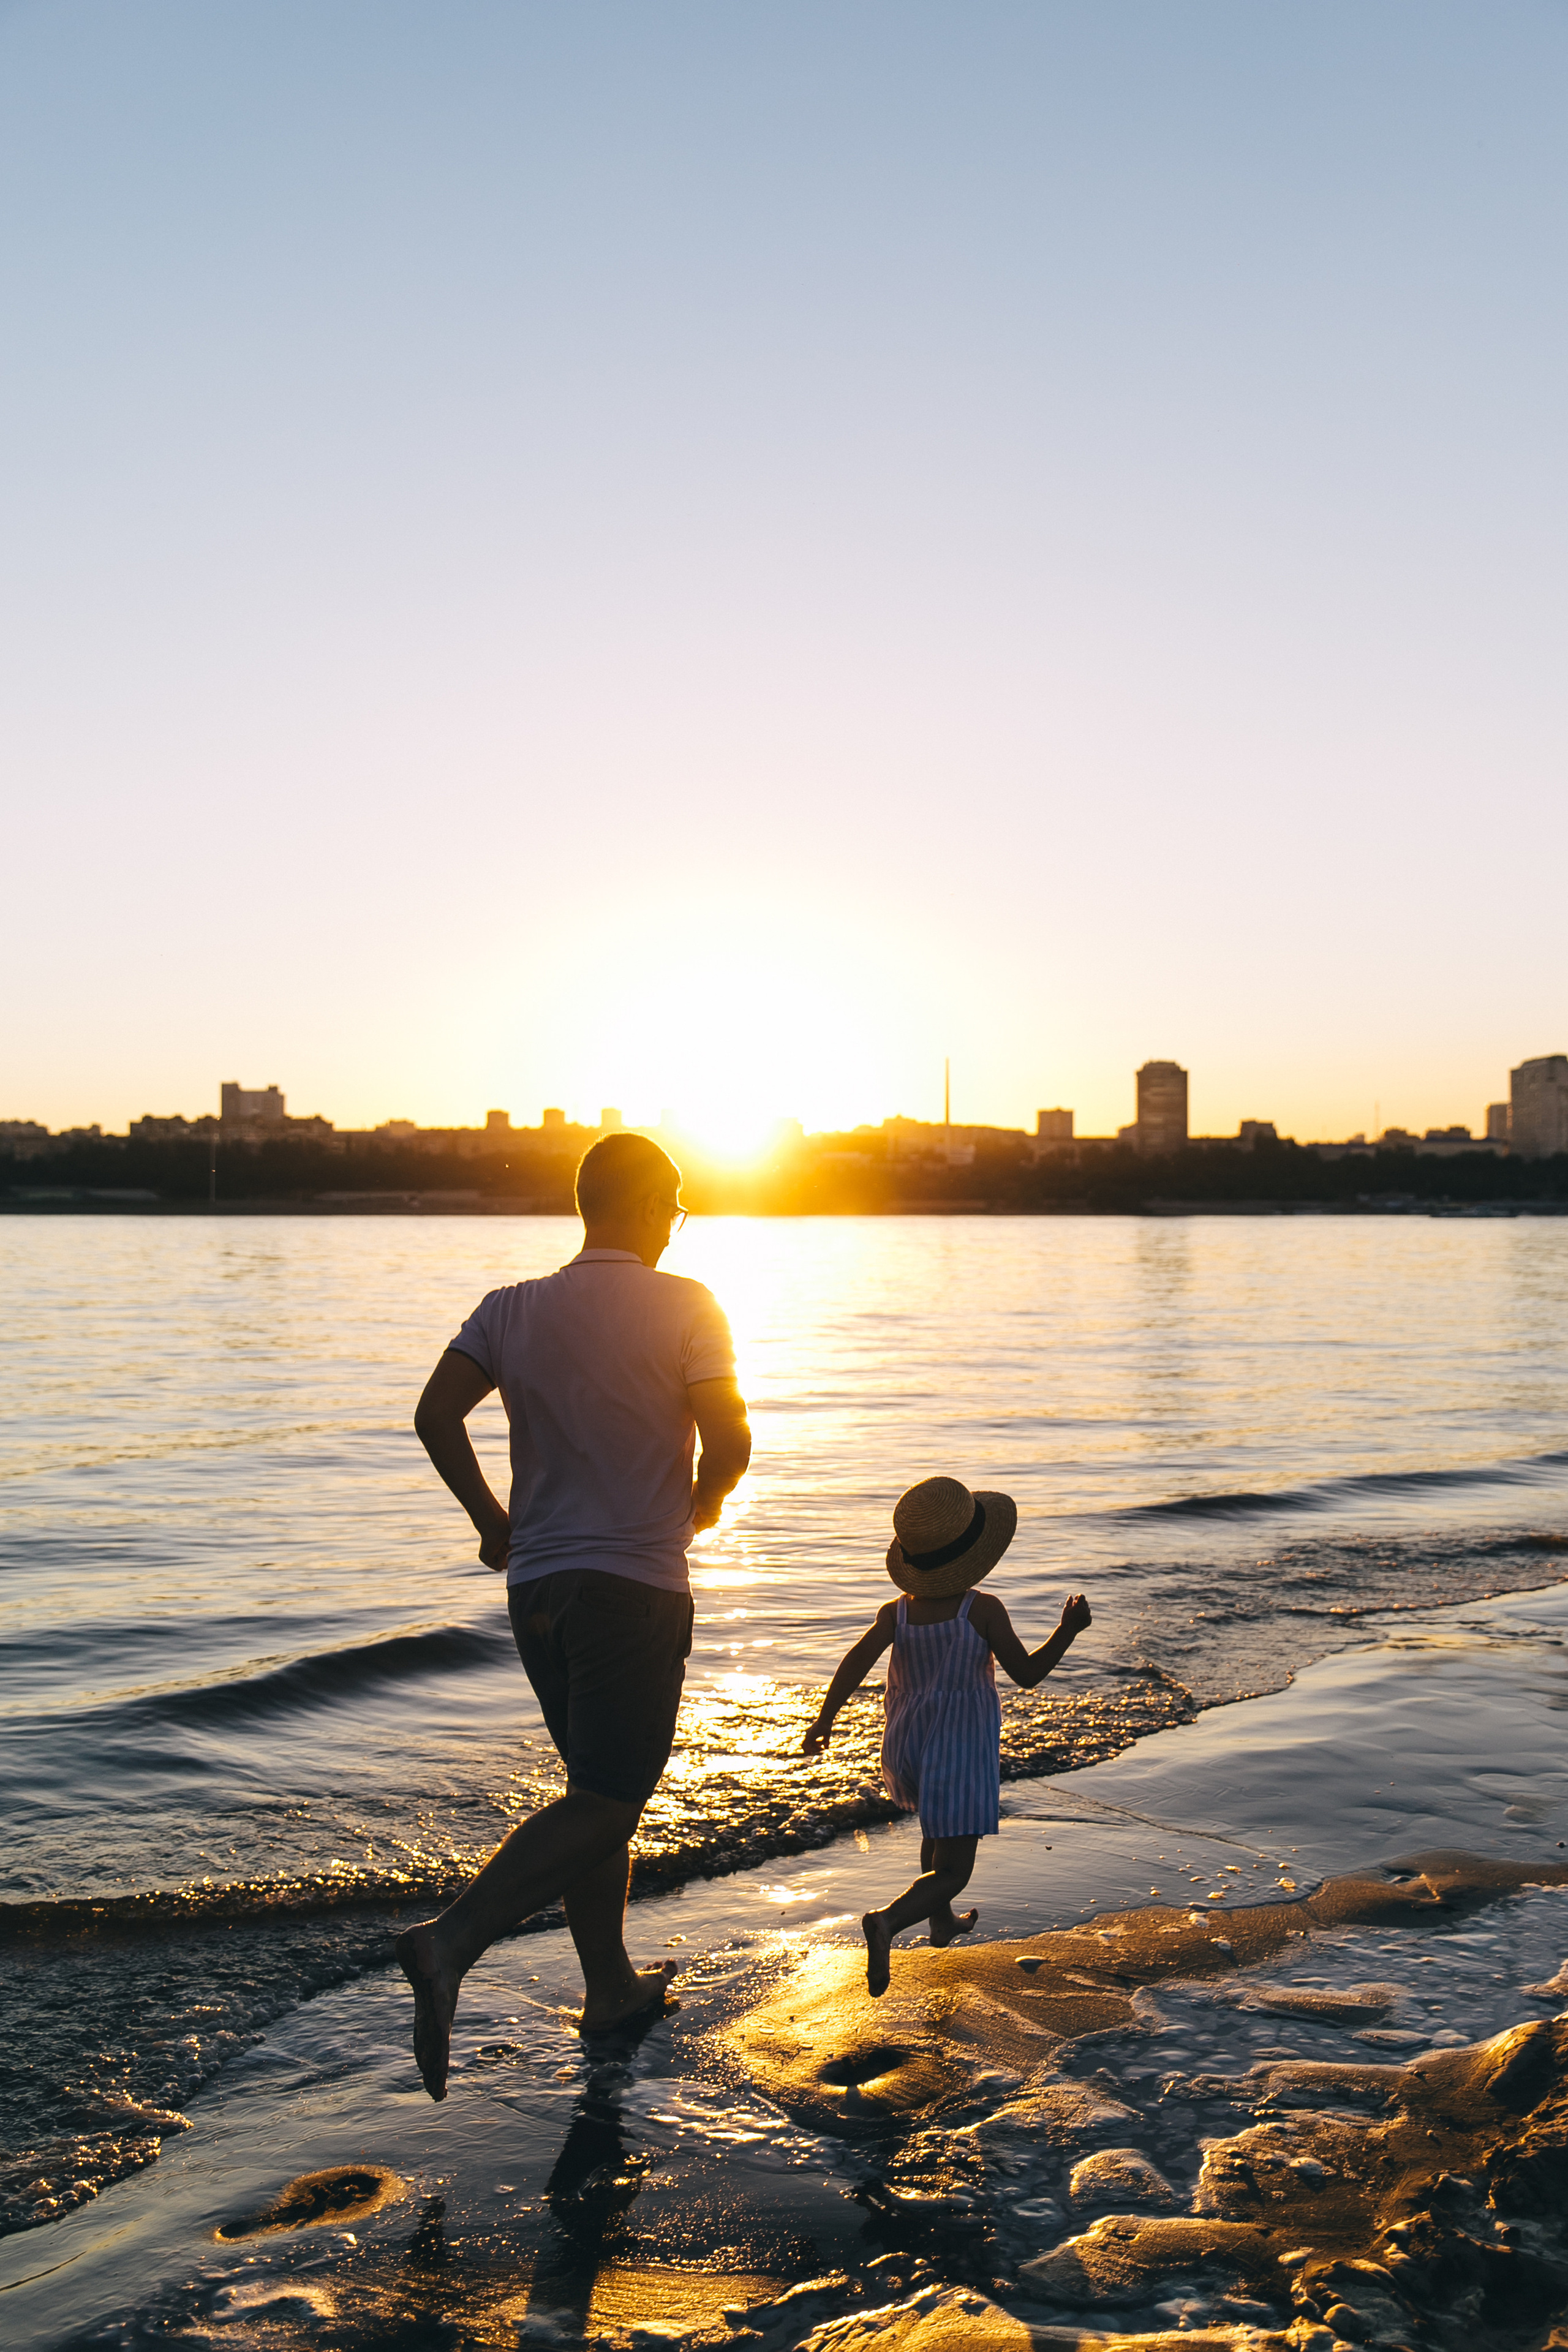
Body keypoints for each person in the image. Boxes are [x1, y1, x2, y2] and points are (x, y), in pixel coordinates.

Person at [396, 1132, 751, 2099]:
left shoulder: (509, 1309)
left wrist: (492, 1522)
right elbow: (731, 1437)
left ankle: (609, 1989)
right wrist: (705, 1503)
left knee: (591, 1791)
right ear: (649, 1204)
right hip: (630, 1586)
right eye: (675, 1208)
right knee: (611, 1796)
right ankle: (450, 1941)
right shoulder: (687, 1304)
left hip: (538, 1590)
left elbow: (435, 1415)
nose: (676, 1227)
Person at [801, 1474, 1091, 1996]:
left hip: (907, 1743)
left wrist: (824, 1719)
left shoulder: (897, 1613)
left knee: (936, 1836)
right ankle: (888, 1921)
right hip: (958, 1748)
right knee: (955, 1868)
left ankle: (940, 1921)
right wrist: (1067, 1631)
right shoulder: (981, 1609)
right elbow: (1027, 1674)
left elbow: (856, 1661)